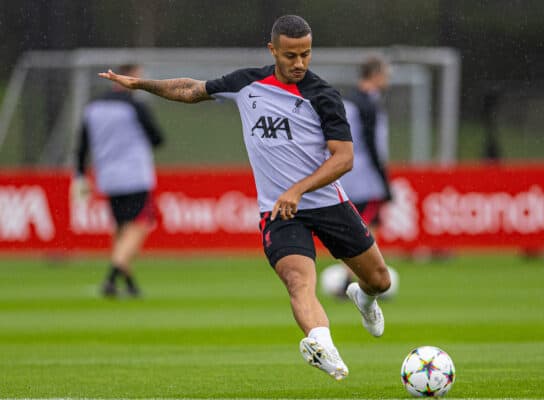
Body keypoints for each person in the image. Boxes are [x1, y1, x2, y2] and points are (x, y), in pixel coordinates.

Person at [98, 15, 391, 380]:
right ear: (273, 50)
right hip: (279, 212)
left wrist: (297, 189)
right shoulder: (247, 83)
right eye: (290, 56)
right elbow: (190, 90)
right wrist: (139, 84)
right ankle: (321, 343)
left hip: (327, 203)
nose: (299, 63)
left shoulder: (323, 96)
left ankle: (364, 297)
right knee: (299, 281)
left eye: (305, 54)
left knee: (380, 279)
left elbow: (344, 158)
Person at [72, 64, 164, 298]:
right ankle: (112, 277)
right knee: (138, 227)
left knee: (121, 229)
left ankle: (129, 282)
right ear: (130, 78)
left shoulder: (93, 107)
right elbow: (157, 138)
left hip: (108, 177)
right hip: (135, 175)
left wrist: (81, 175)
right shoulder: (135, 106)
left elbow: (82, 145)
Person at [332, 57, 393, 297]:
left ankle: (356, 277)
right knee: (366, 227)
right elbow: (372, 144)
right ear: (376, 75)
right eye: (385, 74)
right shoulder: (369, 104)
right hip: (365, 178)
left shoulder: (348, 100)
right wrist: (384, 179)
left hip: (346, 174)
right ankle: (356, 279)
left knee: (358, 227)